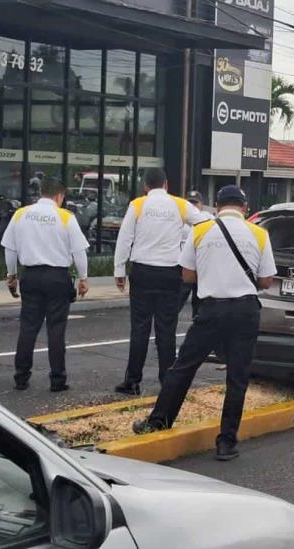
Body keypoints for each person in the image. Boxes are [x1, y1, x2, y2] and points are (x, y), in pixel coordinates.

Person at [133, 185, 277, 462]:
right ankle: (226, 442)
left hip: (211, 310)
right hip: (245, 310)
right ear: (244, 208)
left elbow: (187, 275)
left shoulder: (200, 230)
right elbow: (266, 280)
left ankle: (159, 421)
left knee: (183, 367)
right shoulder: (259, 233)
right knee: (237, 377)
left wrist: (213, 272)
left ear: (217, 206)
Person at [113, 169, 209, 396]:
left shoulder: (137, 205)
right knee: (166, 329)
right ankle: (167, 380)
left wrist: (119, 270)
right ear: (166, 184)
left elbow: (124, 238)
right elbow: (205, 223)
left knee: (140, 329)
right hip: (169, 273)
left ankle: (133, 381)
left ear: (146, 186)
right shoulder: (180, 204)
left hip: (142, 272)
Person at [2, 177, 90, 392]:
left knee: (28, 328)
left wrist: (11, 274)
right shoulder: (65, 216)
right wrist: (83, 278)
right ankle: (57, 380)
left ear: (41, 192)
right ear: (59, 196)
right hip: (57, 277)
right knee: (56, 329)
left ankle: (21, 377)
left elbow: (10, 248)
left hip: (30, 275)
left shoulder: (21, 214)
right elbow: (79, 251)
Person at [178, 190, 214, 317]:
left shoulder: (208, 218)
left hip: (202, 264)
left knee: (199, 300)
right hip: (184, 265)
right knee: (179, 297)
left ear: (201, 204)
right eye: (190, 202)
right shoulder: (180, 217)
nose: (193, 205)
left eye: (195, 203)